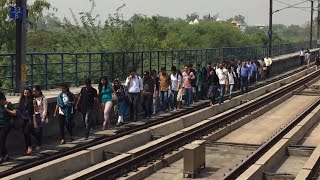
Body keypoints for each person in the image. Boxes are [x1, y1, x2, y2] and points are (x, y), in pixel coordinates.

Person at [19, 87, 38, 155]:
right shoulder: (22, 100)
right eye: (25, 93)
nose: (26, 94)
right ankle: (27, 147)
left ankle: (30, 147)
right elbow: (20, 109)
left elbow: (35, 110)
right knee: (25, 133)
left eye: (27, 93)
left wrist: (34, 104)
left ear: (29, 93)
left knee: (27, 132)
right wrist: (21, 115)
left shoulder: (32, 100)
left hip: (30, 119)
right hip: (23, 119)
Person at [0, 92, 16, 164]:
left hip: (6, 125)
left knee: (2, 140)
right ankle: (6, 155)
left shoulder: (9, 104)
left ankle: (1, 156)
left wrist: (6, 109)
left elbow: (14, 113)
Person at [32, 85, 48, 150]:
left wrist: (43, 117)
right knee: (32, 131)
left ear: (39, 91)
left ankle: (39, 144)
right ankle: (37, 142)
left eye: (35, 91)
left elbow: (45, 108)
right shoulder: (33, 98)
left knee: (39, 131)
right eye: (33, 91)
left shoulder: (43, 99)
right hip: (34, 116)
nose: (34, 93)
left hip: (40, 116)